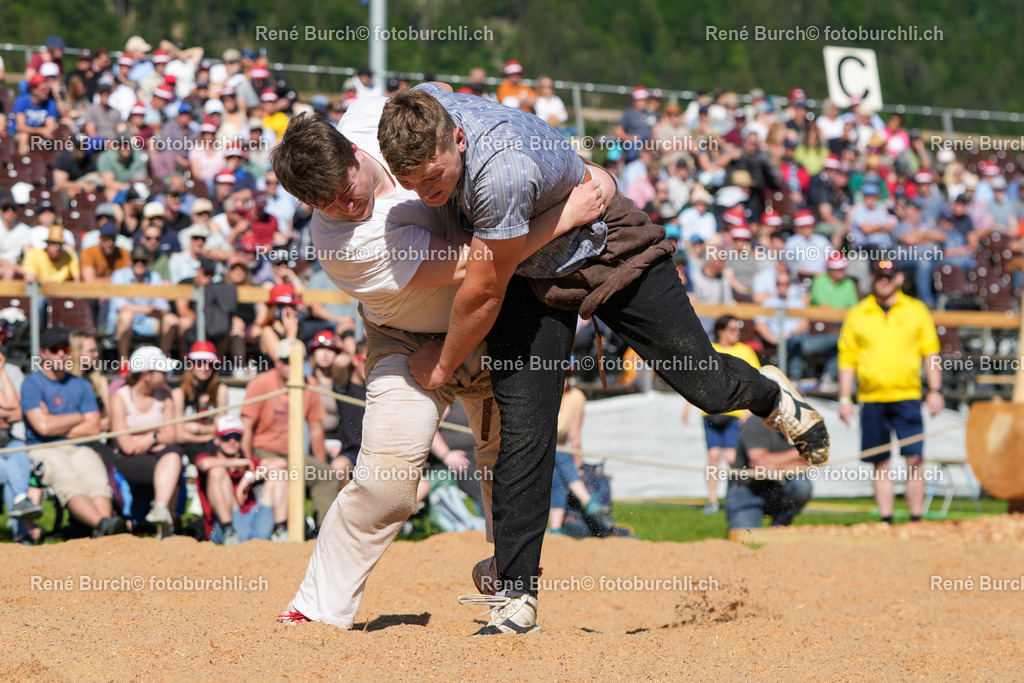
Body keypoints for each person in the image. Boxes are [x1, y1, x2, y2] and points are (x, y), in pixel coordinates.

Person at [378, 84, 828, 634]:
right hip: (531, 274)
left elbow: (481, 291)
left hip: (605, 246)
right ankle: (517, 597)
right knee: (526, 430)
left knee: (705, 385)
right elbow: (434, 91)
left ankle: (772, 394)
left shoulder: (500, 175)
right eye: (414, 185)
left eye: (436, 177)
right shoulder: (420, 109)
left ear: (458, 135)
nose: (429, 194)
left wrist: (443, 365)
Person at [268, 101, 601, 630]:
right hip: (409, 341)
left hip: (492, 320)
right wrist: (568, 214)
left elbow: (443, 102)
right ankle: (317, 608)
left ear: (356, 151)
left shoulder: (373, 120)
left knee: (510, 467)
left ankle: (509, 584)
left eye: (346, 190)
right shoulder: (343, 244)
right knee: (386, 483)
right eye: (324, 203)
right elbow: (481, 261)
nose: (342, 206)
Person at [838, 260, 943, 524]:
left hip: (907, 395)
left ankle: (916, 519)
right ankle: (886, 521)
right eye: (879, 276)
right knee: (880, 462)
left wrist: (935, 390)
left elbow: (931, 352)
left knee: (915, 459)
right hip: (871, 398)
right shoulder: (858, 313)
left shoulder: (916, 310)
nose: (883, 280)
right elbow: (847, 359)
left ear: (898, 278)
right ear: (873, 278)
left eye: (888, 275)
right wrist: (844, 398)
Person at [21, 328, 126, 537]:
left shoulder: (80, 384)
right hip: (43, 448)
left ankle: (102, 530)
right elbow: (43, 428)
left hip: (79, 447)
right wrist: (78, 417)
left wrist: (53, 423)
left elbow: (94, 427)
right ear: (43, 353)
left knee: (96, 477)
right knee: (67, 477)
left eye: (65, 349)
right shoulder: (31, 383)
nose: (61, 354)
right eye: (54, 349)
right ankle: (104, 525)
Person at [109, 346, 184, 534]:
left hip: (157, 455)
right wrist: (158, 438)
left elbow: (172, 435)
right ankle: (165, 530)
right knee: (171, 469)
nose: (168, 373)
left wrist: (150, 439)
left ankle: (161, 512)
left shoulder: (165, 395)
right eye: (162, 370)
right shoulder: (120, 398)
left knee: (174, 455)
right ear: (146, 374)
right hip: (129, 459)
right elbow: (126, 446)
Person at [195, 414, 288, 544]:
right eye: (226, 437)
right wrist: (239, 463)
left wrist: (248, 478)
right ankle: (228, 530)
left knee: (278, 473)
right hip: (225, 524)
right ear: (216, 439)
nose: (232, 441)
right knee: (216, 472)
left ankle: (281, 530)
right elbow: (205, 464)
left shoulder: (247, 462)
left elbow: (281, 463)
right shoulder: (212, 458)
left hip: (254, 522)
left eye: (237, 437)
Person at [702, 316, 760, 514]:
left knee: (732, 458)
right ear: (721, 331)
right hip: (711, 413)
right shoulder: (710, 349)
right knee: (713, 457)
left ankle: (738, 496)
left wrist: (749, 411)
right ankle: (712, 500)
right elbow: (697, 381)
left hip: (736, 413)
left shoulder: (746, 352)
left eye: (738, 329)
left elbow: (756, 382)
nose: (737, 332)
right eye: (732, 329)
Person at [724, 417, 813, 531]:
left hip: (778, 489)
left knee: (802, 485)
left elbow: (810, 458)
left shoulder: (802, 426)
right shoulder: (756, 421)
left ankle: (779, 526)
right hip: (746, 491)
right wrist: (797, 455)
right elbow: (759, 464)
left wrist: (771, 463)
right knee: (746, 539)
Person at [548, 378, 612, 534]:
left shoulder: (576, 397)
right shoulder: (542, 393)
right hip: (543, 447)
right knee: (560, 454)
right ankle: (587, 501)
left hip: (558, 450)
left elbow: (574, 436)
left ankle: (555, 529)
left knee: (557, 477)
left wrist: (579, 466)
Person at [172, 341, 228, 461]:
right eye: (200, 363)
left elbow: (221, 428)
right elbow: (179, 435)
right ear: (191, 365)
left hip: (213, 443)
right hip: (187, 445)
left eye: (209, 364)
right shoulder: (179, 392)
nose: (205, 368)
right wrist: (207, 436)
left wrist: (199, 429)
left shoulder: (220, 389)